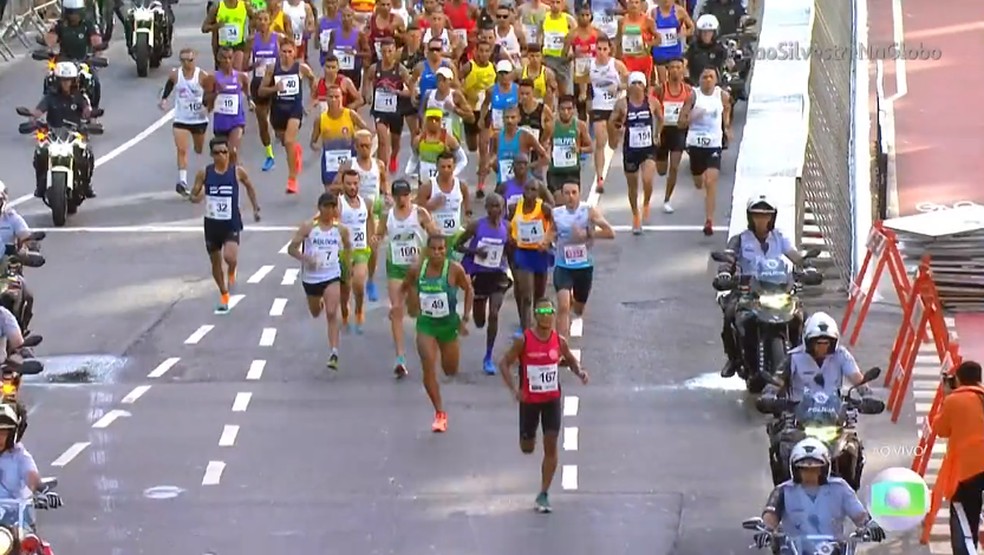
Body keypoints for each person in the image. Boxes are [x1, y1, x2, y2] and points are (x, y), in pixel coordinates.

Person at [498, 297, 588, 513]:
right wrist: (514, 390)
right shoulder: (524, 340)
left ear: (554, 315)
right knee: (527, 448)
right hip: (529, 401)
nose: (546, 315)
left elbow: (568, 359)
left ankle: (544, 493)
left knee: (551, 444)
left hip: (551, 400)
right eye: (542, 311)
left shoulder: (559, 341)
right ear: (536, 315)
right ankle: (529, 436)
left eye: (550, 311)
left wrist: (580, 372)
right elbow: (504, 363)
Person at [716, 195, 809, 377]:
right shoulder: (740, 240)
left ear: (772, 218)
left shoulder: (779, 237)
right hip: (748, 292)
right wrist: (725, 273)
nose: (761, 219)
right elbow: (728, 258)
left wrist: (807, 267)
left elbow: (795, 256)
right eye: (757, 215)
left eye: (766, 215)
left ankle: (803, 355)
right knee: (729, 314)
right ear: (750, 218)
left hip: (779, 291)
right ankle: (733, 358)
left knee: (803, 315)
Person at [401, 235, 474, 433]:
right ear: (428, 250)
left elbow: (469, 290)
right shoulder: (418, 269)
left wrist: (465, 316)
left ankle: (441, 406)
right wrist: (400, 306)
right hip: (427, 324)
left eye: (442, 249)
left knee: (450, 369)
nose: (438, 253)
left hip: (448, 324)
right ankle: (440, 412)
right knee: (428, 363)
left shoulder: (454, 269)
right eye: (434, 249)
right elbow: (404, 287)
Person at [756, 438, 885, 548]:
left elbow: (858, 514)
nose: (810, 473)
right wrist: (766, 529)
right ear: (795, 470)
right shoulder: (783, 490)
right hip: (793, 551)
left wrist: (868, 524)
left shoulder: (840, 488)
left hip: (834, 550)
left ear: (824, 469)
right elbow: (771, 514)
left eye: (815, 469)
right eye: (804, 469)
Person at [188, 137, 261, 312]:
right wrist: (197, 197)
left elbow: (250, 187)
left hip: (231, 222)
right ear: (212, 155)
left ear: (229, 153)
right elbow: (193, 194)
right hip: (212, 225)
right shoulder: (204, 173)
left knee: (230, 257)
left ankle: (232, 270)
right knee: (215, 263)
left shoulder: (237, 172)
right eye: (217, 152)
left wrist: (256, 208)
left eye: (224, 152)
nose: (221, 155)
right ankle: (224, 294)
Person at [375, 179, 437, 377]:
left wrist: (431, 238)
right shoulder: (388, 216)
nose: (402, 199)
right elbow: (379, 234)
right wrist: (375, 240)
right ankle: (400, 357)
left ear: (410, 195)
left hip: (417, 269)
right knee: (396, 310)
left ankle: (426, 347)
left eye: (405, 195)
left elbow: (434, 235)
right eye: (398, 195)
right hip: (396, 268)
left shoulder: (419, 213)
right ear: (393, 197)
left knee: (416, 310)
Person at [287, 192, 351, 370]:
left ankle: (334, 353)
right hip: (311, 278)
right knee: (316, 312)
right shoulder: (309, 227)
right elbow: (291, 249)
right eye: (326, 207)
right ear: (319, 208)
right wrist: (306, 258)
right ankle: (319, 302)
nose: (330, 211)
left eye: (333, 207)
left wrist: (347, 269)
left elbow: (348, 248)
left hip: (332, 275)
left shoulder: (341, 229)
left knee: (332, 313)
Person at [456, 193, 512, 374]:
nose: (497, 210)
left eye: (500, 206)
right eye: (493, 206)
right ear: (487, 208)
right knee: (480, 320)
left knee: (494, 314)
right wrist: (475, 251)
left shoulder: (508, 227)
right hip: (479, 274)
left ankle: (488, 356)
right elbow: (457, 245)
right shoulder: (476, 226)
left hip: (498, 274)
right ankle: (477, 314)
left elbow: (509, 249)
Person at [552, 181, 614, 339]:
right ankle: (561, 349)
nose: (570, 197)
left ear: (579, 194)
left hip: (583, 267)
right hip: (562, 266)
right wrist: (544, 242)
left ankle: (576, 302)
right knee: (563, 307)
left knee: (578, 309)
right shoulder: (556, 214)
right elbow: (550, 233)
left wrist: (587, 235)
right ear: (562, 195)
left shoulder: (588, 211)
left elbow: (610, 233)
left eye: (574, 192)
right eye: (567, 193)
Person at [934, 360, 984, 555]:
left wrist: (946, 396)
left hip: (967, 470)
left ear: (958, 379)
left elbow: (941, 429)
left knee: (963, 515)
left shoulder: (954, 400)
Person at [258, 38, 317, 195]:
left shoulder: (301, 68)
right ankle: (295, 151)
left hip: (294, 110)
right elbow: (261, 91)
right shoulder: (272, 69)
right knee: (286, 142)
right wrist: (274, 88)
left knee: (289, 140)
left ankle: (292, 179)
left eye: (290, 51)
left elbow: (313, 80)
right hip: (278, 110)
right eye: (283, 51)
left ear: (295, 52)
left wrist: (312, 100)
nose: (286, 55)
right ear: (279, 53)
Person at [29, 62, 96, 200]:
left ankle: (86, 185)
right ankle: (40, 185)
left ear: (74, 80)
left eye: (69, 80)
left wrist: (89, 116)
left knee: (86, 155)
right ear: (58, 81)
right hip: (53, 135)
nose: (66, 83)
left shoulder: (80, 97)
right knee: (40, 153)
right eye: (63, 80)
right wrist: (32, 119)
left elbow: (87, 110)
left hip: (74, 135)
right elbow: (38, 111)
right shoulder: (50, 97)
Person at [336, 130, 386, 302]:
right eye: (362, 146)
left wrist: (388, 198)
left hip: (373, 210)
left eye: (368, 145)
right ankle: (347, 279)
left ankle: (370, 280)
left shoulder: (378, 164)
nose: (366, 149)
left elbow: (384, 185)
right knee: (351, 247)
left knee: (373, 247)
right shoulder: (349, 165)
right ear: (355, 147)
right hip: (353, 209)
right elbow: (335, 186)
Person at [679, 66, 730, 235]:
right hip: (695, 144)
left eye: (711, 77)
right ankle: (699, 180)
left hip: (713, 145)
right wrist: (692, 116)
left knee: (711, 181)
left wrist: (727, 128)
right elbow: (681, 122)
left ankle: (709, 221)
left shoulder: (721, 95)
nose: (707, 80)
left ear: (716, 80)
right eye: (704, 77)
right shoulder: (694, 96)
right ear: (699, 79)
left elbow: (726, 111)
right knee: (699, 182)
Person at [610, 71, 662, 234]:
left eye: (640, 84)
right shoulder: (622, 104)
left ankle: (646, 202)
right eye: (634, 84)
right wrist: (616, 134)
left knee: (647, 179)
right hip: (630, 149)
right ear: (630, 87)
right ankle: (635, 215)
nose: (637, 87)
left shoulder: (652, 102)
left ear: (644, 86)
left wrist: (657, 134)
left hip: (647, 148)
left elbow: (660, 118)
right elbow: (612, 121)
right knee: (632, 186)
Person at [161, 49, 210, 197]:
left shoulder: (201, 76)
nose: (186, 63)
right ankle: (182, 181)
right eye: (183, 60)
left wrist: (206, 107)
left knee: (199, 149)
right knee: (182, 149)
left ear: (195, 59)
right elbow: (169, 84)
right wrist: (164, 99)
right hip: (181, 119)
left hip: (198, 119)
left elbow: (211, 91)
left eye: (189, 60)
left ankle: (200, 174)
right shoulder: (176, 74)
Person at [335, 170, 375, 334]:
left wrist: (371, 237)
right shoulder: (338, 203)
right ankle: (345, 313)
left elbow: (370, 219)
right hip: (343, 252)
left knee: (359, 283)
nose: (352, 187)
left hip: (361, 250)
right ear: (343, 185)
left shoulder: (366, 202)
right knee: (345, 290)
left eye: (355, 183)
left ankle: (359, 309)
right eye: (349, 184)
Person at [511, 180, 553, 332]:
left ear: (538, 192)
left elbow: (554, 225)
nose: (530, 192)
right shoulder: (515, 207)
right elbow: (507, 224)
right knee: (526, 295)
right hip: (523, 254)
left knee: (539, 295)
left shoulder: (544, 208)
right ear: (523, 190)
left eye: (534, 190)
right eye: (527, 189)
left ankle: (539, 325)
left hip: (540, 254)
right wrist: (512, 238)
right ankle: (525, 330)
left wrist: (547, 241)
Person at [0, 404, 61, 509]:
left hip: (13, 519)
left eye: (4, 433)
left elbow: (31, 476)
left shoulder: (20, 456)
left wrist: (43, 491)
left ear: (12, 435)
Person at [45, 0, 103, 110]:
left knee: (95, 81)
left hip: (83, 61)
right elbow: (51, 38)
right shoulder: (60, 24)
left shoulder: (88, 24)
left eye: (76, 12)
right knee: (49, 79)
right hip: (63, 61)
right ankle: (49, 107)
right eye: (70, 13)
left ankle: (93, 111)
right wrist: (48, 47)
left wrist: (96, 53)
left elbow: (96, 41)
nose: (73, 16)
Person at [367, 38, 413, 175]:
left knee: (395, 141)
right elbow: (367, 80)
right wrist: (367, 93)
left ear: (394, 52)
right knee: (382, 140)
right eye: (384, 52)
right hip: (379, 109)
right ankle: (383, 169)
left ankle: (393, 156)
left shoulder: (401, 70)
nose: (387, 55)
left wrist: (397, 92)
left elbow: (411, 91)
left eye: (390, 51)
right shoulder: (375, 68)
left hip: (395, 110)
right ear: (380, 52)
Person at [586, 36, 626, 195]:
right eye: (599, 49)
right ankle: (600, 178)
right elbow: (584, 83)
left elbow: (629, 82)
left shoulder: (616, 65)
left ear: (609, 50)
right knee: (600, 142)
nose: (601, 52)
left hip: (614, 107)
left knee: (613, 143)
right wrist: (586, 98)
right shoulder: (590, 65)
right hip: (598, 106)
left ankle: (617, 133)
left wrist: (617, 87)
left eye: (604, 49)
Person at [311, 86, 368, 189]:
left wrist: (360, 143)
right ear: (326, 98)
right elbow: (313, 142)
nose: (333, 100)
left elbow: (367, 132)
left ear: (342, 97)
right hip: (330, 162)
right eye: (331, 96)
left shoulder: (350, 114)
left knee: (350, 191)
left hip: (349, 160)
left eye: (337, 96)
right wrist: (317, 146)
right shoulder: (320, 119)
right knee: (330, 194)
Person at [416, 151, 471, 251]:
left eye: (449, 166)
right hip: (435, 238)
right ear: (437, 167)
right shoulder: (428, 187)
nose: (446, 170)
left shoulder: (462, 186)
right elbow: (417, 211)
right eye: (443, 167)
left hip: (454, 236)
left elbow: (467, 202)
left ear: (454, 167)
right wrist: (430, 206)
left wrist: (467, 216)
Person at [655, 58, 690, 214]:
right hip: (663, 131)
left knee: (674, 167)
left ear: (683, 70)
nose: (675, 70)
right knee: (661, 170)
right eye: (673, 67)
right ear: (668, 70)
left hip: (678, 131)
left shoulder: (688, 90)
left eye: (678, 67)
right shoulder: (660, 90)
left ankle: (667, 199)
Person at [206, 47, 253, 165]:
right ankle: (231, 172)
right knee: (222, 157)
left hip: (236, 120)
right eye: (224, 58)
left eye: (230, 58)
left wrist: (250, 101)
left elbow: (247, 91)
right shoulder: (213, 77)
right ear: (218, 59)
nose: (227, 61)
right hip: (220, 121)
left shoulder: (241, 77)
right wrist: (216, 92)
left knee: (232, 151)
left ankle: (235, 174)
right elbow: (205, 100)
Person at [0, 184, 36, 335]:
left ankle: (20, 332)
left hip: (8, 272)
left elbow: (28, 239)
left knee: (26, 295)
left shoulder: (13, 219)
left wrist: (25, 249)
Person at [248, 10, 281, 172]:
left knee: (278, 122)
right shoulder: (251, 41)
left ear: (270, 21)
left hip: (275, 83)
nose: (262, 22)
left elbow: (289, 58)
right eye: (259, 19)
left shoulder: (278, 39)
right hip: (258, 84)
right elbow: (242, 67)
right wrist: (254, 65)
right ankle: (269, 155)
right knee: (262, 121)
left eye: (265, 19)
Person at [488, 106, 548, 190]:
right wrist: (493, 164)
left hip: (523, 183)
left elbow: (546, 158)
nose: (509, 121)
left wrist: (529, 166)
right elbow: (492, 156)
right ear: (502, 119)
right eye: (507, 117)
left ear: (519, 119)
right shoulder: (496, 137)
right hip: (503, 183)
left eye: (513, 117)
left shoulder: (525, 136)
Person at [545, 96, 591, 201]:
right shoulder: (551, 126)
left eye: (569, 109)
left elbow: (590, 147)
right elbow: (543, 143)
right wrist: (546, 148)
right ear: (558, 109)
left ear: (574, 109)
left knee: (572, 202)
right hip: (555, 171)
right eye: (563, 109)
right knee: (559, 200)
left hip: (572, 171)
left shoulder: (580, 126)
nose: (566, 112)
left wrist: (580, 150)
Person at [615, 0, 657, 96]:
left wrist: (648, 43)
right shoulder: (622, 21)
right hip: (628, 59)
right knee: (629, 88)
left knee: (645, 88)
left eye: (636, 2)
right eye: (631, 2)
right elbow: (618, 40)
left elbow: (658, 39)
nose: (634, 5)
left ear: (641, 5)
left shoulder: (648, 21)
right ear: (627, 4)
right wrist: (616, 58)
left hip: (643, 59)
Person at [322, 8, 368, 89]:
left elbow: (368, 53)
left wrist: (355, 53)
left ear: (353, 18)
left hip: (354, 72)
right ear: (340, 18)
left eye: (348, 16)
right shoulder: (334, 33)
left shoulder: (359, 34)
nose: (346, 18)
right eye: (344, 16)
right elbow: (329, 53)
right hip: (338, 72)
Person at [650, 0, 691, 87]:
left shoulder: (679, 11)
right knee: (663, 83)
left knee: (676, 80)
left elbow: (692, 28)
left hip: (674, 51)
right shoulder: (654, 12)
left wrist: (683, 34)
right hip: (660, 51)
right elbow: (650, 30)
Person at [201, 0, 251, 70]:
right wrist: (216, 26)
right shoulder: (217, 6)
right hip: (222, 47)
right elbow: (204, 28)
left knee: (237, 73)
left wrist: (252, 33)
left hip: (238, 45)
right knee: (224, 75)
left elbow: (255, 18)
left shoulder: (244, 5)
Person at [539, 0, 575, 96]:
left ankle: (562, 108)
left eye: (558, 2)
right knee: (550, 89)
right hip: (548, 58)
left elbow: (575, 38)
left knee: (563, 91)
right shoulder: (544, 18)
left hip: (563, 60)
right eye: (552, 2)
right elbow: (539, 38)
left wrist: (571, 53)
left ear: (563, 4)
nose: (555, 5)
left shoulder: (569, 20)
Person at [685, 14, 727, 85]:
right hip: (695, 85)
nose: (706, 34)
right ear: (699, 33)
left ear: (714, 33)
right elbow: (686, 64)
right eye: (704, 31)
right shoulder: (693, 47)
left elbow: (724, 68)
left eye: (709, 31)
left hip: (715, 86)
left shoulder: (720, 49)